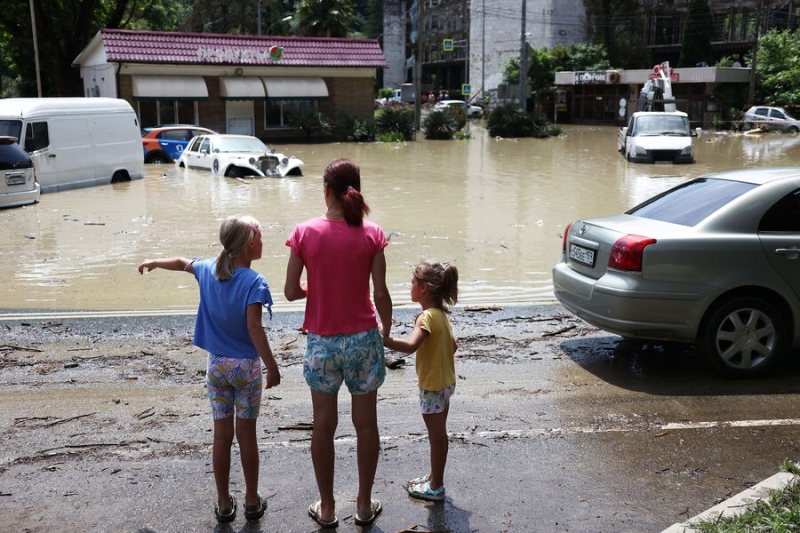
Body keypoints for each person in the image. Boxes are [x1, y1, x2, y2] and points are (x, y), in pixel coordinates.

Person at [138, 214, 280, 523]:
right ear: (250, 245)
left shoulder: (208, 271)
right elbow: (255, 328)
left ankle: (223, 503)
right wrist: (272, 366)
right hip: (246, 369)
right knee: (247, 437)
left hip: (216, 366)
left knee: (221, 437)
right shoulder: (255, 282)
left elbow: (180, 261)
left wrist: (154, 262)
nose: (263, 242)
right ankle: (252, 501)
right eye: (260, 237)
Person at [284, 158, 393, 528]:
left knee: (323, 425)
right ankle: (363, 505)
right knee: (366, 425)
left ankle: (328, 508)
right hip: (364, 339)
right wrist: (388, 331)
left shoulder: (304, 232)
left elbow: (288, 291)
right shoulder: (373, 233)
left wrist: (315, 288)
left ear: (325, 190)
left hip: (323, 344)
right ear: (356, 189)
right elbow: (381, 294)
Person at [383, 260, 458, 502]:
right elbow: (452, 346)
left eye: (413, 282)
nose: (410, 285)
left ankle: (436, 486)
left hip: (434, 387)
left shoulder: (425, 317)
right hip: (445, 383)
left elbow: (410, 346)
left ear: (423, 287)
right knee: (440, 434)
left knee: (436, 437)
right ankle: (433, 476)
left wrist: (383, 339)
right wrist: (434, 366)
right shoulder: (441, 316)